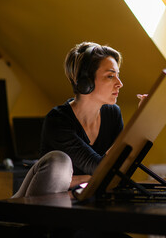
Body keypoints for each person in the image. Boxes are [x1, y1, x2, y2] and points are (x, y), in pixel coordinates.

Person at [13, 42, 146, 198]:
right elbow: (101, 169)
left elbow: (121, 168)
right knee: (60, 160)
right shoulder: (58, 120)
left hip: (80, 201)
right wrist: (95, 178)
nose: (120, 83)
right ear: (86, 82)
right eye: (110, 76)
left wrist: (81, 180)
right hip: (40, 205)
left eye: (118, 74)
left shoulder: (112, 114)